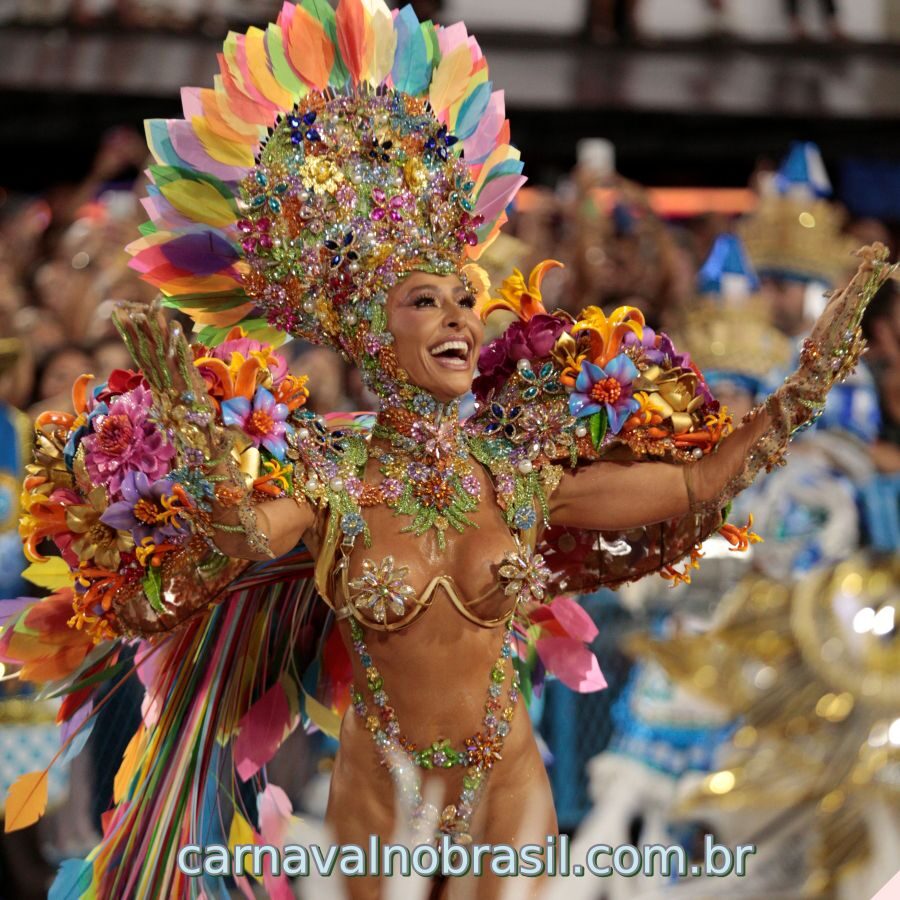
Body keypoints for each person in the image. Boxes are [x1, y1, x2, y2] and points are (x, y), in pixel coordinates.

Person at [1, 3, 893, 899]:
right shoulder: (334, 476)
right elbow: (237, 538)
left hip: (508, 790)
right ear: (370, 334)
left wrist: (811, 374)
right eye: (425, 302)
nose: (460, 316)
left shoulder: (520, 473)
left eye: (462, 300)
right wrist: (197, 437)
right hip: (377, 802)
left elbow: (700, 480)